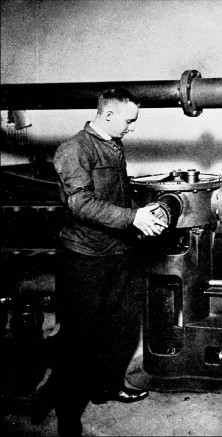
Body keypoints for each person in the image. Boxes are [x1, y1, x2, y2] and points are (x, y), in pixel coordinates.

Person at [40, 88, 167, 436]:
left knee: (118, 330)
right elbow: (80, 204)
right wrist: (132, 218)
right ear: (108, 115)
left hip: (118, 253)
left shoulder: (113, 143)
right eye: (129, 121)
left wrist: (143, 212)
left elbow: (117, 194)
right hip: (85, 259)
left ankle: (107, 387)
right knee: (78, 341)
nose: (132, 128)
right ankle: (68, 419)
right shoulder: (74, 149)